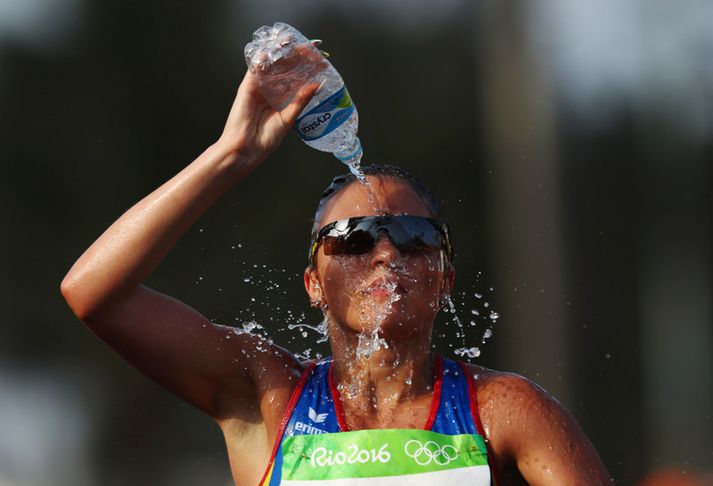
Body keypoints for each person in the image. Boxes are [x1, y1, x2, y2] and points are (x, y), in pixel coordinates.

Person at [60, 64, 613, 485]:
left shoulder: (503, 410)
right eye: (353, 239)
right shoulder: (267, 395)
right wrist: (231, 154)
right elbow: (95, 293)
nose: (385, 255)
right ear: (314, 283)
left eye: (414, 239)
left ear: (444, 280)